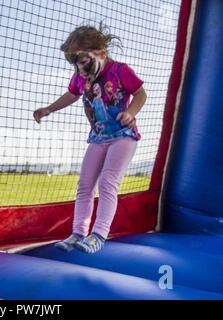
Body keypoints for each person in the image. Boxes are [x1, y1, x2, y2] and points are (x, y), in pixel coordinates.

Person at [33, 24, 147, 254]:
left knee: (107, 182)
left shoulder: (120, 70)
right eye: (74, 62)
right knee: (85, 185)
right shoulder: (80, 75)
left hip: (123, 137)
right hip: (98, 138)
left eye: (83, 60)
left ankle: (99, 235)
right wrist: (49, 109)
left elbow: (141, 93)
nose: (79, 67)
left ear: (102, 53)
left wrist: (131, 113)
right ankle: (78, 234)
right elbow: (71, 95)